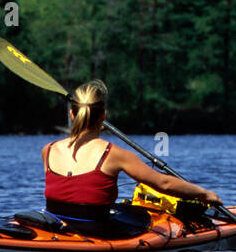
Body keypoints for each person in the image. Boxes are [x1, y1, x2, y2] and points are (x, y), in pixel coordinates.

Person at [42, 81, 219, 232]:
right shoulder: (115, 154)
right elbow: (163, 183)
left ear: (72, 114)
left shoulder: (48, 150)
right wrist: (205, 194)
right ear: (103, 115)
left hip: (59, 226)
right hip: (97, 231)